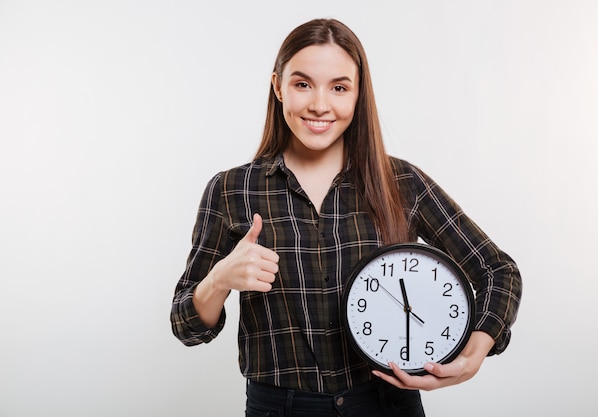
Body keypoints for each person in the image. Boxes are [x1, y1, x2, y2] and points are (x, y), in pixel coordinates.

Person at [170, 18, 522, 417]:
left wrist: (474, 353)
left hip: (386, 404)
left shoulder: (401, 182)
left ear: (358, 95)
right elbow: (185, 324)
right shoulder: (232, 190)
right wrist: (220, 278)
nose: (320, 104)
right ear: (278, 87)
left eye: (339, 87)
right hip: (280, 407)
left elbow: (498, 270)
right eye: (303, 84)